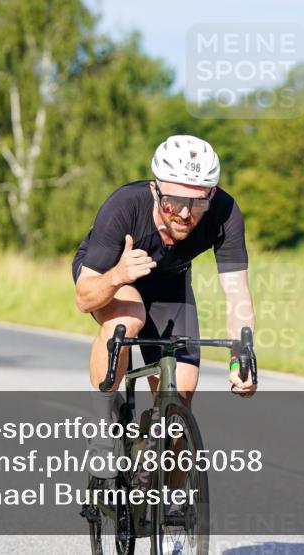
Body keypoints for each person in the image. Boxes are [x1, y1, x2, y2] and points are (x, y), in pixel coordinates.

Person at [72, 135, 256, 477]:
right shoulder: (124, 206)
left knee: (179, 402)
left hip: (170, 284)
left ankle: (171, 505)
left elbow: (238, 295)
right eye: (173, 201)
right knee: (126, 320)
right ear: (156, 190)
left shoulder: (226, 214)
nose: (185, 213)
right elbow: (84, 298)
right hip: (114, 275)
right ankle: (102, 426)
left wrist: (242, 355)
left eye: (197, 203)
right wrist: (117, 276)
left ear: (211, 195)